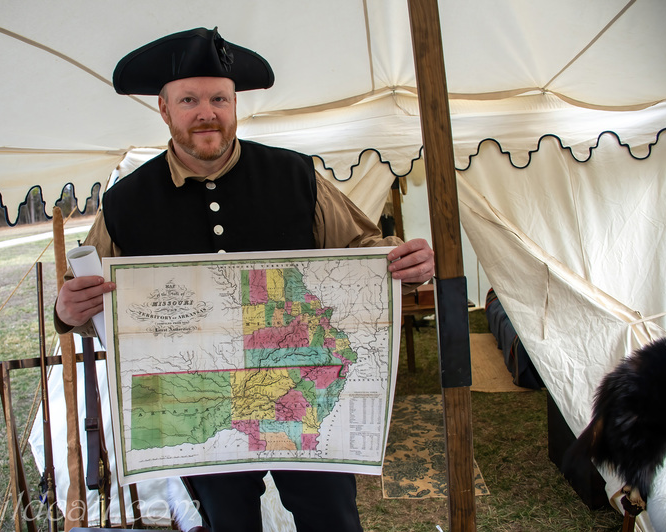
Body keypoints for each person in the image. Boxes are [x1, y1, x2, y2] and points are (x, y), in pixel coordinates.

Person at [55, 27, 434, 532]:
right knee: (229, 524)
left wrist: (402, 266)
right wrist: (68, 311)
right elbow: (88, 302)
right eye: (189, 100)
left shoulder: (296, 176)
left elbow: (362, 252)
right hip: (195, 399)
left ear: (235, 105)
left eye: (219, 98)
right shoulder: (125, 203)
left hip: (300, 384)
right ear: (164, 110)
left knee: (333, 520)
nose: (206, 112)